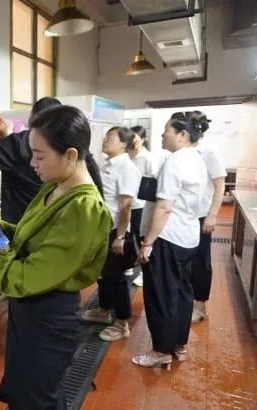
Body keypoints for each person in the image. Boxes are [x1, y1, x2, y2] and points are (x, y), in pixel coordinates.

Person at [0, 105, 112, 409]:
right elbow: (34, 238)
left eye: (39, 156)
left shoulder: (84, 208)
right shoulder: (55, 188)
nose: (32, 163)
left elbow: (27, 275)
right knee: (27, 392)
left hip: (48, 316)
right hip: (30, 311)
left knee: (36, 399)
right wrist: (0, 227)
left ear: (70, 155)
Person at [133, 114, 208, 369]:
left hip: (167, 236)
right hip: (189, 236)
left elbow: (164, 207)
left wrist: (148, 243)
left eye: (167, 130)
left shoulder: (175, 162)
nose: (162, 135)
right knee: (183, 291)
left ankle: (160, 351)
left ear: (182, 135)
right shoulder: (197, 159)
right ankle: (178, 344)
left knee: (161, 294)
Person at [82, 127, 141, 342]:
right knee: (103, 273)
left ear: (124, 144)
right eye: (106, 136)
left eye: (111, 137)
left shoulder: (126, 168)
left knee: (116, 276)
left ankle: (122, 323)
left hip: (115, 229)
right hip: (102, 228)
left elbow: (125, 205)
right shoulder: (109, 164)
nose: (105, 140)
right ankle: (104, 309)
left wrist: (120, 236)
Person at [0, 97, 61, 224]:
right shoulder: (58, 142)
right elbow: (18, 155)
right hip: (45, 218)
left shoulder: (23, 140)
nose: (34, 162)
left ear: (33, 116)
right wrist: (6, 136)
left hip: (20, 218)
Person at [183, 111, 225, 323]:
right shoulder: (184, 153)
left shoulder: (208, 153)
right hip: (184, 217)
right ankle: (187, 300)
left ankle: (200, 306)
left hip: (201, 216)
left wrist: (212, 215)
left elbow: (220, 185)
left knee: (201, 261)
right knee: (186, 261)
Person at [127, 125, 160, 287]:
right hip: (127, 203)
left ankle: (142, 272)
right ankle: (128, 264)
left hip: (141, 204)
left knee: (141, 238)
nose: (132, 141)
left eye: (135, 138)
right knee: (128, 236)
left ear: (142, 140)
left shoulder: (148, 158)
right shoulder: (127, 156)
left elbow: (153, 182)